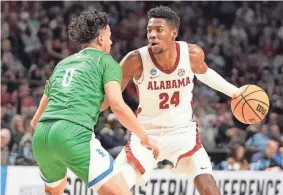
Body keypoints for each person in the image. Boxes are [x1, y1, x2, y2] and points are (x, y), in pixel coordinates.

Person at [101, 6, 240, 195]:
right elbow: (109, 96)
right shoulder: (135, 60)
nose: (152, 35)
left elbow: (205, 74)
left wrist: (235, 92)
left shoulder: (191, 54)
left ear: (173, 33)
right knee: (113, 189)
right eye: (149, 30)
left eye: (159, 30)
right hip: (146, 134)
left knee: (209, 188)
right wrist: (82, 112)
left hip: (182, 133)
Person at [30, 9, 159, 195]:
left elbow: (35, 120)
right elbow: (117, 106)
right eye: (109, 37)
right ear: (100, 39)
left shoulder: (63, 64)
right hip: (73, 133)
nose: (111, 42)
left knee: (53, 192)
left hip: (42, 136)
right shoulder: (107, 62)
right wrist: (145, 138)